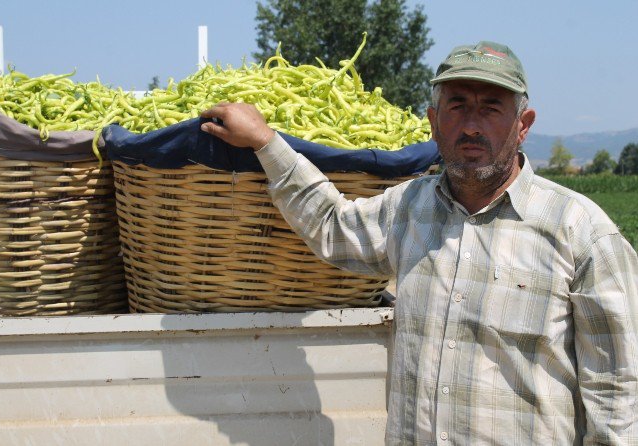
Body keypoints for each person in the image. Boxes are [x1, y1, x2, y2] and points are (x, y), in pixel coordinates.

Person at [200, 41, 638, 445]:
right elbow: (334, 227)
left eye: (490, 108)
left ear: (523, 126)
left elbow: (617, 392)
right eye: (457, 106)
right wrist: (265, 141)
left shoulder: (581, 233)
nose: (471, 124)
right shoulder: (409, 208)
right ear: (433, 121)